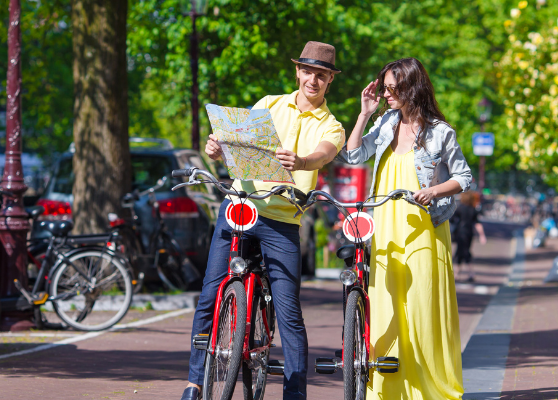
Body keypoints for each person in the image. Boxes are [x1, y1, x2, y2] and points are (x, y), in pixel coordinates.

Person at [180, 41, 346, 400]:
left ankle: (294, 393)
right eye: (308, 72)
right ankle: (194, 382)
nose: (313, 81)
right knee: (210, 293)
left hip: (283, 218)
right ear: (297, 72)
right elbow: (239, 155)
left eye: (322, 75)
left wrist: (301, 161)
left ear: (330, 79)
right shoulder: (268, 105)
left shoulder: (332, 125)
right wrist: (219, 150)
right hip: (240, 206)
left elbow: (323, 155)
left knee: (288, 313)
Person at [338, 57, 472, 399]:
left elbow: (463, 176)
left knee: (421, 306)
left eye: (392, 88)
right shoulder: (384, 123)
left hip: (422, 229)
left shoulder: (440, 131)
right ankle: (388, 387)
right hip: (385, 226)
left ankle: (430, 387)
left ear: (413, 87)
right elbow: (352, 156)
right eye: (384, 88)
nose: (386, 94)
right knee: (386, 306)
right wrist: (364, 113)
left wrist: (434, 190)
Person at [452, 191, 487, 282]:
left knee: (462, 252)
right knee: (465, 251)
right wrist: (482, 236)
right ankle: (463, 273)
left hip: (460, 232)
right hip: (469, 233)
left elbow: (452, 219)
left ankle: (460, 274)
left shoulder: (459, 208)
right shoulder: (473, 209)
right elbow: (477, 223)